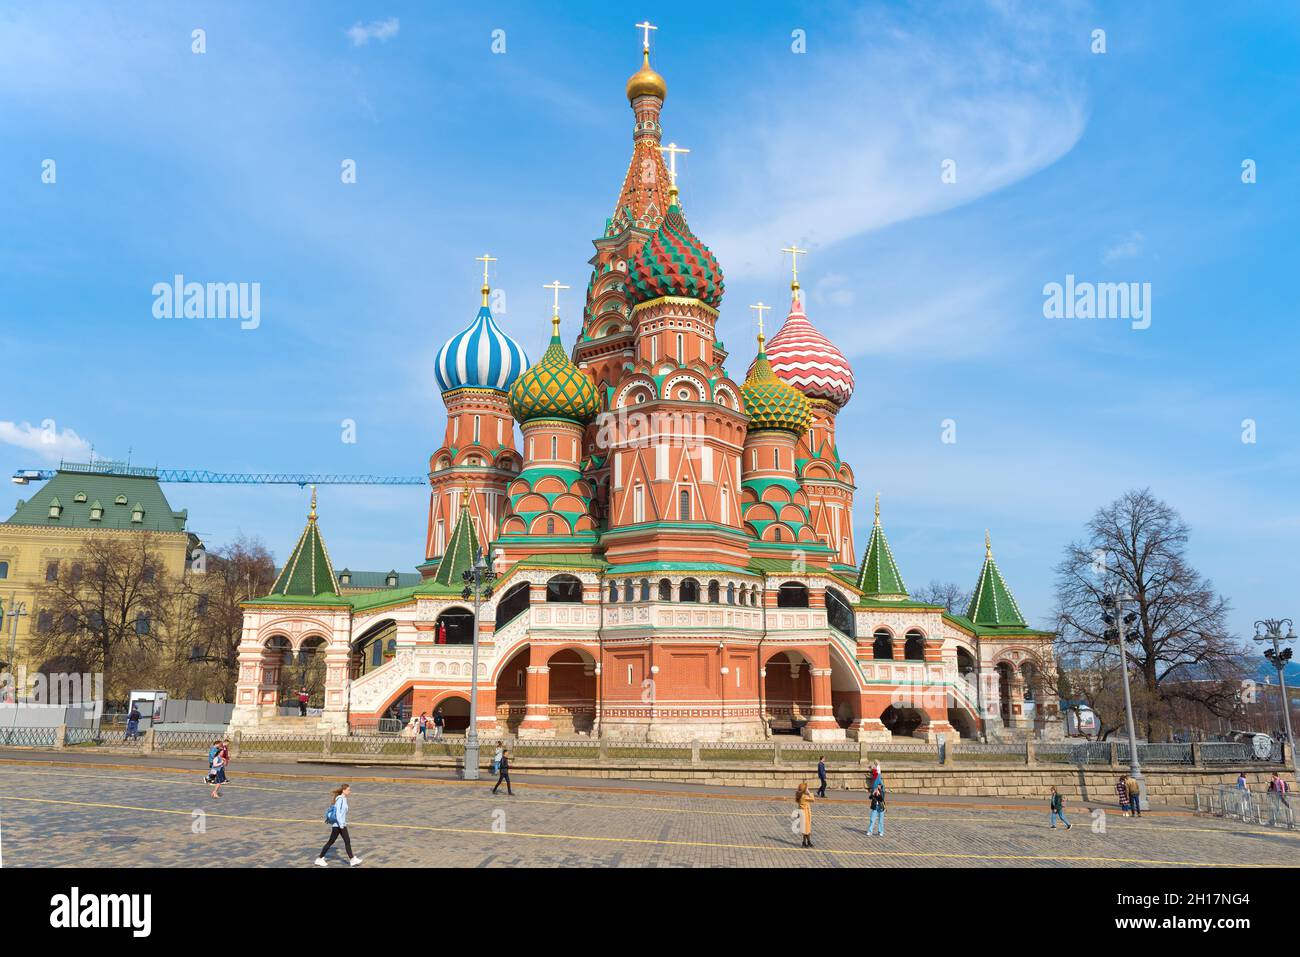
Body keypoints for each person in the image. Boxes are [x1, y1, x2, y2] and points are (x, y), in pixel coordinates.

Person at [315, 784, 363, 867]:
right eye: (348, 790)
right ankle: (352, 859)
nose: (349, 791)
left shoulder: (344, 799)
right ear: (343, 790)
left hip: (339, 824)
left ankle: (320, 859)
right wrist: (341, 824)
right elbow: (338, 813)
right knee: (346, 841)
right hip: (339, 824)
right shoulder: (340, 799)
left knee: (332, 841)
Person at [795, 781, 815, 848]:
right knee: (807, 828)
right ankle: (806, 842)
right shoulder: (804, 796)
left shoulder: (799, 795)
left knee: (805, 828)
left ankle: (806, 841)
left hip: (802, 813)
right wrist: (809, 793)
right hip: (805, 813)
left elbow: (799, 805)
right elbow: (813, 799)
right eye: (806, 788)